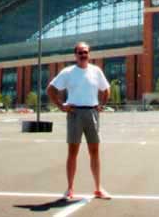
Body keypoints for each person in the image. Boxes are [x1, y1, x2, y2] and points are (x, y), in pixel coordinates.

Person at [47, 41, 111, 200]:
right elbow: (50, 89)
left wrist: (102, 105)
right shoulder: (68, 72)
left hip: (92, 113)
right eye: (80, 52)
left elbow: (106, 89)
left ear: (89, 54)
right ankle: (69, 189)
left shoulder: (96, 71)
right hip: (75, 113)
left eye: (86, 52)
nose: (83, 55)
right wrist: (61, 106)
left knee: (94, 152)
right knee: (73, 152)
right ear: (75, 55)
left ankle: (98, 188)